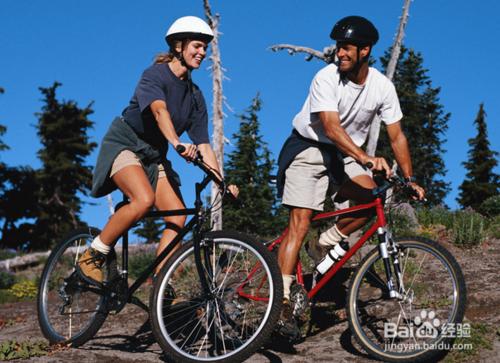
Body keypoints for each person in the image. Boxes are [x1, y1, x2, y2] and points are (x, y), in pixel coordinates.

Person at [275, 15, 425, 336]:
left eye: (347, 48)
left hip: (344, 154)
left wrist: (409, 179)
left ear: (365, 51)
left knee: (373, 199)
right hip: (309, 148)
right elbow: (330, 126)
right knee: (300, 221)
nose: (340, 53)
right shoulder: (325, 78)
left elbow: (397, 135)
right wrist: (366, 157)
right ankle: (282, 303)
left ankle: (325, 243)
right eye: (339, 47)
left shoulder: (382, 87)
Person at [77, 16, 237, 286]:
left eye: (205, 48)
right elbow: (159, 111)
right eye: (197, 46)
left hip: (153, 155)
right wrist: (176, 142)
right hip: (125, 143)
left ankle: (160, 284)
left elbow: (205, 145)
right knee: (143, 199)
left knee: (177, 216)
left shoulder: (195, 97)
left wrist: (221, 181)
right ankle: (93, 255)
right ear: (178, 46)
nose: (202, 53)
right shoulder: (155, 75)